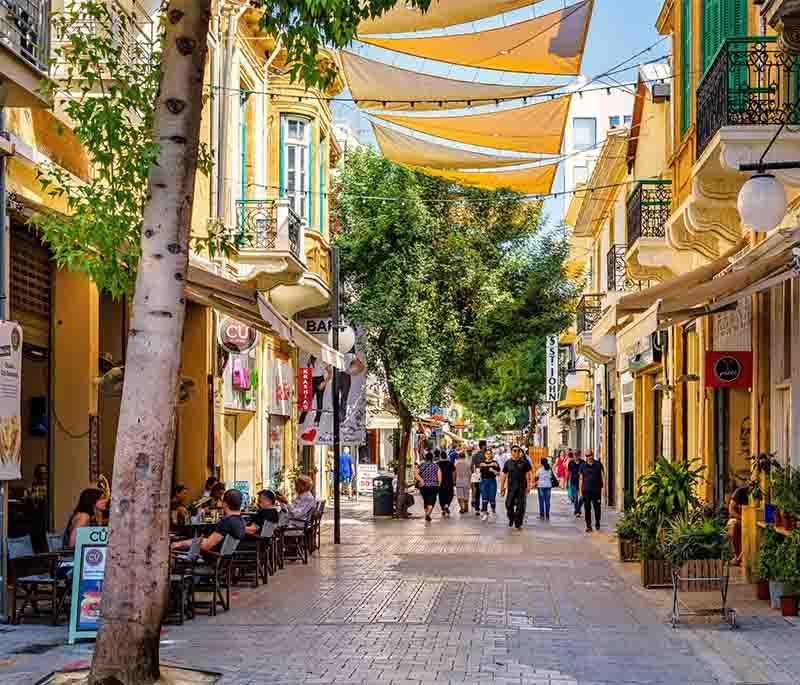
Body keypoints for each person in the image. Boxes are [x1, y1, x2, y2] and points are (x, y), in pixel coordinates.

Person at [173, 489, 246, 554]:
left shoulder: (227, 522)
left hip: (213, 559)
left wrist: (179, 543)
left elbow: (207, 545)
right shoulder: (241, 521)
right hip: (227, 561)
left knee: (178, 550)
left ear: (225, 504)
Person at [500, 445, 533, 529]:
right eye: (514, 450)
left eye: (518, 451)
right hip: (511, 488)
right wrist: (502, 487)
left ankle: (518, 522)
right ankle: (511, 518)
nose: (516, 452)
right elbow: (504, 475)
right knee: (508, 504)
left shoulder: (524, 462)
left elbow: (530, 473)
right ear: (511, 452)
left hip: (522, 488)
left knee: (520, 506)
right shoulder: (508, 462)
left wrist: (530, 485)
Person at [579, 450, 605, 532]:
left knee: (597, 508)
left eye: (589, 455)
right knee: (587, 508)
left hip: (597, 490)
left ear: (592, 455)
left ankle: (597, 522)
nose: (588, 457)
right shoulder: (582, 466)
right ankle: (588, 526)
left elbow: (603, 476)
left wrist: (604, 489)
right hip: (586, 491)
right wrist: (580, 492)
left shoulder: (598, 464)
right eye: (586, 456)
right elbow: (580, 479)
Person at [415, 450, 441, 522]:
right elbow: (439, 477)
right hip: (433, 486)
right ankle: (428, 513)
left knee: (426, 500)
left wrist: (421, 480)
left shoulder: (422, 465)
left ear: (425, 458)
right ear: (432, 458)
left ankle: (427, 513)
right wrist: (439, 484)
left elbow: (416, 474)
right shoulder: (436, 466)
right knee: (432, 500)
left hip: (423, 486)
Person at [727, 483, 749, 566]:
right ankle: (737, 556)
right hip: (738, 518)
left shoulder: (759, 494)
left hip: (750, 521)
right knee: (733, 525)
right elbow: (731, 509)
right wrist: (742, 518)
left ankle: (744, 557)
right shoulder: (740, 491)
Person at [479, 448, 501, 522]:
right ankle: (485, 513)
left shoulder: (495, 463)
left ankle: (493, 510)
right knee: (484, 497)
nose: (488, 455)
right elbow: (479, 471)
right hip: (484, 482)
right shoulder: (482, 463)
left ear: (491, 454)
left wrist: (493, 470)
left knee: (492, 497)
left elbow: (498, 473)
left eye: (489, 453)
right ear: (485, 455)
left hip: (492, 481)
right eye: (487, 454)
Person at [437, 449, 456, 517]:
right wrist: (454, 481)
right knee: (450, 494)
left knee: (441, 496)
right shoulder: (450, 463)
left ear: (440, 456)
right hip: (449, 482)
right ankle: (447, 505)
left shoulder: (437, 463)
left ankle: (443, 509)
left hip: (440, 482)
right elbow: (454, 472)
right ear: (446, 456)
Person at [471, 440, 486, 515]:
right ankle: (483, 508)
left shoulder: (474, 455)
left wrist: (473, 475)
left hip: (476, 474)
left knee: (477, 492)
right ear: (483, 446)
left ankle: (477, 508)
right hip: (484, 475)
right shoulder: (485, 455)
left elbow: (472, 466)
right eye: (485, 445)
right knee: (484, 492)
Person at [567, 450, 583, 516]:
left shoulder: (583, 462)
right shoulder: (571, 463)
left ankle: (578, 509)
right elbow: (569, 473)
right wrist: (568, 482)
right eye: (575, 455)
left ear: (579, 455)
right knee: (575, 498)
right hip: (573, 482)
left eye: (577, 454)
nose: (576, 456)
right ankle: (577, 511)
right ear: (573, 455)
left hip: (582, 482)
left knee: (582, 497)